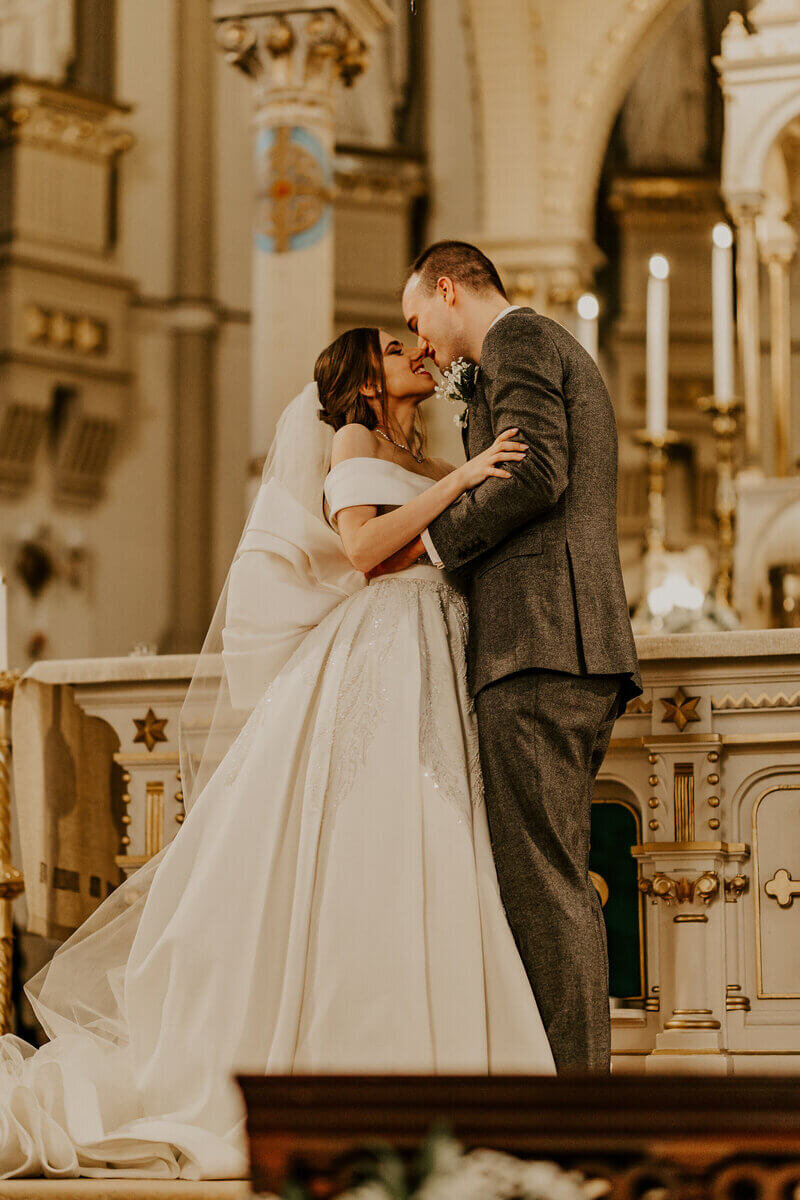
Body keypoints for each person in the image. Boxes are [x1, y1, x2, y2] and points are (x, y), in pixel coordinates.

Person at [0, 326, 554, 1182]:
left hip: (429, 643)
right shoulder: (351, 437)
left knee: (435, 829)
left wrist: (461, 472)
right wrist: (464, 484)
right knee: (386, 825)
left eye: (415, 342)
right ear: (365, 380)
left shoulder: (413, 442)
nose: (414, 351)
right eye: (393, 347)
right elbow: (366, 550)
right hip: (386, 644)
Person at [372, 240, 643, 1072]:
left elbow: (536, 474)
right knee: (552, 877)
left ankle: (572, 1108)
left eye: (419, 320)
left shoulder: (520, 343)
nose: (419, 346)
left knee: (544, 885)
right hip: (564, 641)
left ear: (449, 288)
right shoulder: (534, 349)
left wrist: (435, 545)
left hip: (538, 643)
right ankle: (571, 1094)